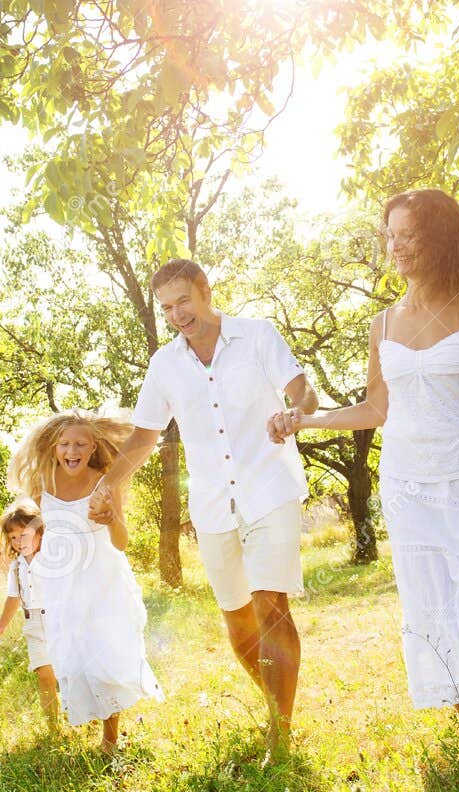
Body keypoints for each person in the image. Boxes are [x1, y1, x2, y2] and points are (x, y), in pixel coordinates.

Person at [269, 189, 459, 755]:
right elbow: (377, 410)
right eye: (391, 234)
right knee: (435, 603)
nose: (397, 245)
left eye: (409, 233)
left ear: (441, 236)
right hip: (409, 482)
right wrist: (305, 421)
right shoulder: (382, 324)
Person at [90, 259, 317, 755]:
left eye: (183, 302)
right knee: (238, 623)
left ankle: (280, 739)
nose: (176, 314)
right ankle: (280, 713)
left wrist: (295, 410)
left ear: (205, 291)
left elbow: (302, 388)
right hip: (214, 505)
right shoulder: (164, 365)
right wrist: (110, 484)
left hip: (270, 488)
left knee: (270, 606)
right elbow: (146, 434)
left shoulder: (257, 336)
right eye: (167, 307)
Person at [8, 410, 163, 756]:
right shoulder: (43, 483)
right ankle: (91, 710)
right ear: (55, 448)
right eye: (64, 443)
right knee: (74, 656)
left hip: (103, 581)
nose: (71, 449)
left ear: (93, 447)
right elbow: (36, 530)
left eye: (80, 443)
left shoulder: (105, 482)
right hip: (63, 584)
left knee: (105, 654)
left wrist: (110, 520)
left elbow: (122, 542)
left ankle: (110, 738)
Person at [0, 499, 60, 733]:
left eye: (24, 535)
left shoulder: (52, 558)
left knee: (68, 673)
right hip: (34, 624)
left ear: (39, 532)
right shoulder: (16, 568)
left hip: (59, 620)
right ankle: (53, 727)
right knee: (45, 675)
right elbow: (13, 599)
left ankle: (81, 715)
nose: (19, 542)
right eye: (13, 537)